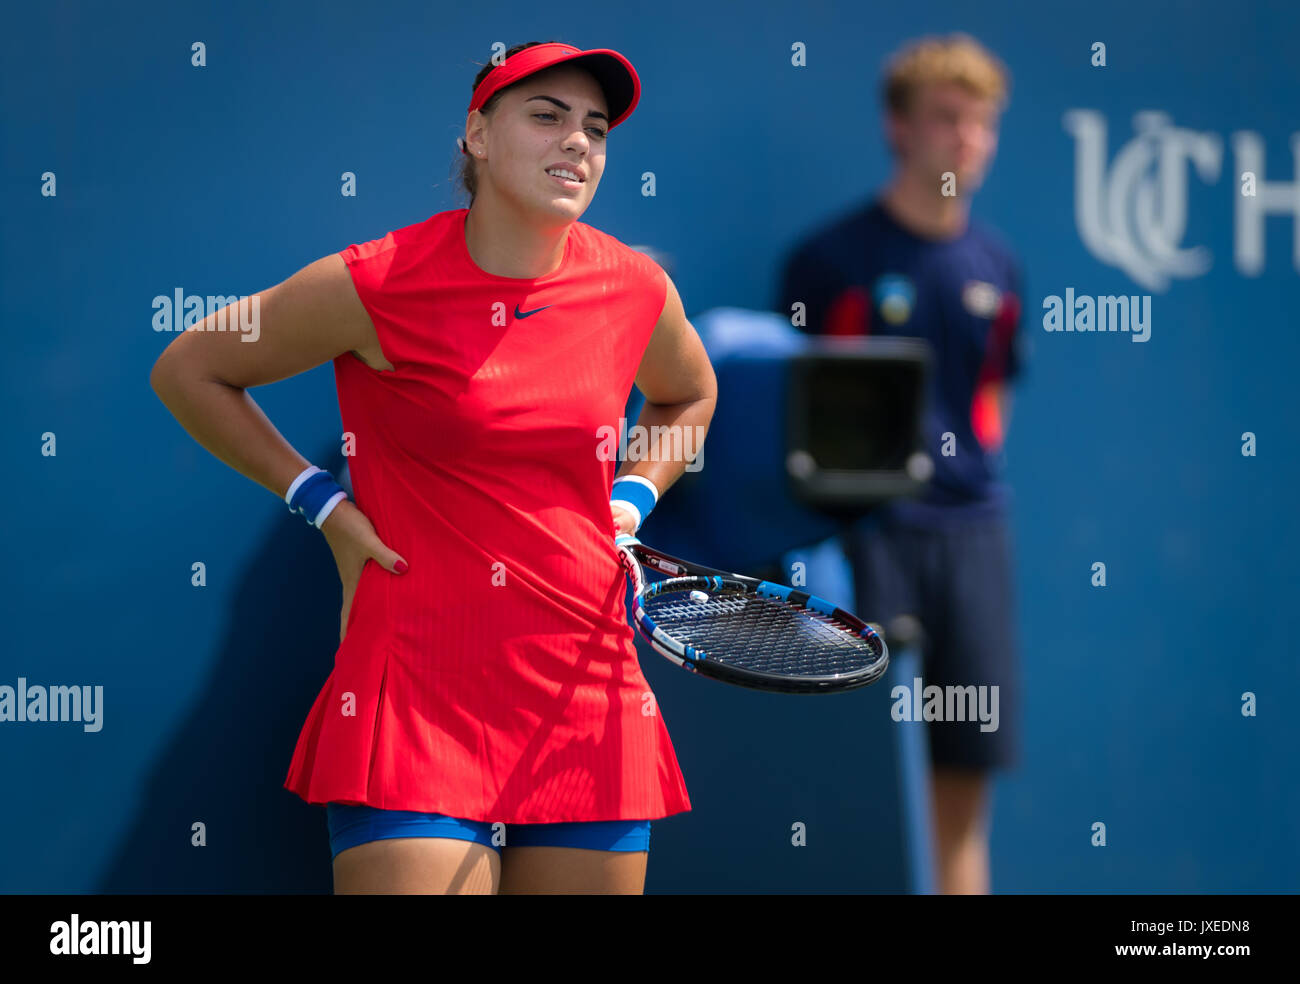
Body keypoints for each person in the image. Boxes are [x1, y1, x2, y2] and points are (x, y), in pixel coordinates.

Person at [150, 40, 717, 895]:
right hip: (414, 686)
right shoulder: (374, 281)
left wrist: (631, 498)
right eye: (547, 117)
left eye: (595, 130)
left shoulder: (636, 288)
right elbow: (191, 369)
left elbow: (687, 397)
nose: (578, 144)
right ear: (478, 137)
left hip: (585, 683)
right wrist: (325, 508)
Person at [776, 33, 1025, 894]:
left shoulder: (998, 267)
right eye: (946, 119)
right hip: (865, 543)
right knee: (864, 781)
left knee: (963, 781)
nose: (966, 140)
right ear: (899, 129)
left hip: (973, 544)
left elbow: (994, 397)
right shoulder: (830, 262)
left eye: (981, 123)